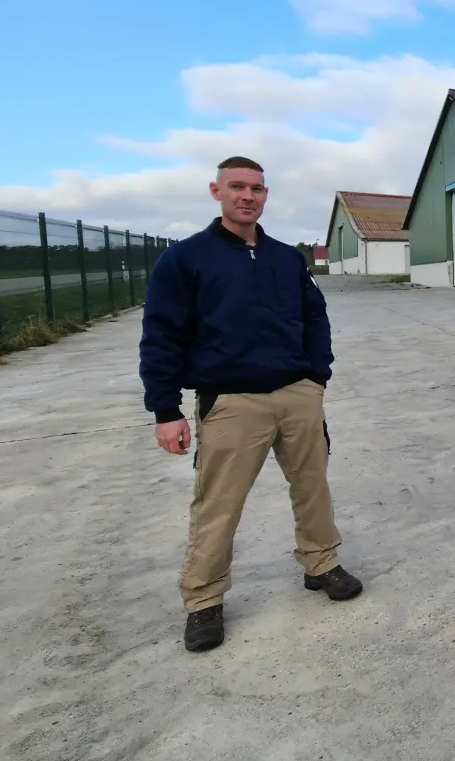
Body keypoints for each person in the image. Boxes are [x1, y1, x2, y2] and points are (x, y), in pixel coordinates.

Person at [139, 156, 362, 653]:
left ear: (266, 195)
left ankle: (321, 563)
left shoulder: (286, 258)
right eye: (237, 187)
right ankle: (204, 601)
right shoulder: (185, 259)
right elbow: (161, 336)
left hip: (297, 396)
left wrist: (315, 376)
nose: (248, 196)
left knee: (313, 486)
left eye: (257, 188)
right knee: (218, 504)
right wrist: (166, 410)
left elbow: (314, 317)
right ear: (215, 191)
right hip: (232, 401)